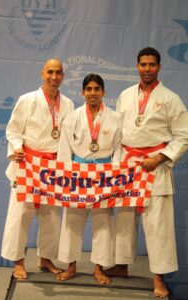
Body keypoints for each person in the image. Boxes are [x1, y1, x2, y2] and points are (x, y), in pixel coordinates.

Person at [105, 47, 188, 298]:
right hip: (129, 164)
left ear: (159, 67)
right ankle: (121, 265)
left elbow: (184, 136)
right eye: (143, 64)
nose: (147, 69)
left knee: (158, 225)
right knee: (125, 220)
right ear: (137, 66)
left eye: (152, 64)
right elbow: (118, 133)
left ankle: (159, 277)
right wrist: (117, 166)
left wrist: (159, 158)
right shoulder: (125, 95)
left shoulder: (171, 98)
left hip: (156, 167)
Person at [1, 58, 74, 279]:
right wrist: (17, 148)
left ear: (63, 75)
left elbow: (69, 138)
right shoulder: (27, 100)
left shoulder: (68, 104)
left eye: (58, 73)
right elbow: (13, 130)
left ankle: (46, 259)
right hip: (28, 164)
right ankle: (18, 261)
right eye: (50, 72)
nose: (54, 77)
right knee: (20, 214)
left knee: (51, 216)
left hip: (53, 167)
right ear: (42, 73)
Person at [56, 74, 122, 284]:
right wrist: (66, 176)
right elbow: (64, 148)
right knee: (72, 221)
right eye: (89, 89)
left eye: (97, 89)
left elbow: (119, 149)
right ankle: (70, 265)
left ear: (103, 92)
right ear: (83, 92)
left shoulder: (115, 118)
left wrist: (115, 176)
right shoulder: (73, 117)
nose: (92, 93)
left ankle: (99, 268)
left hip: (104, 173)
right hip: (78, 173)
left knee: (103, 222)